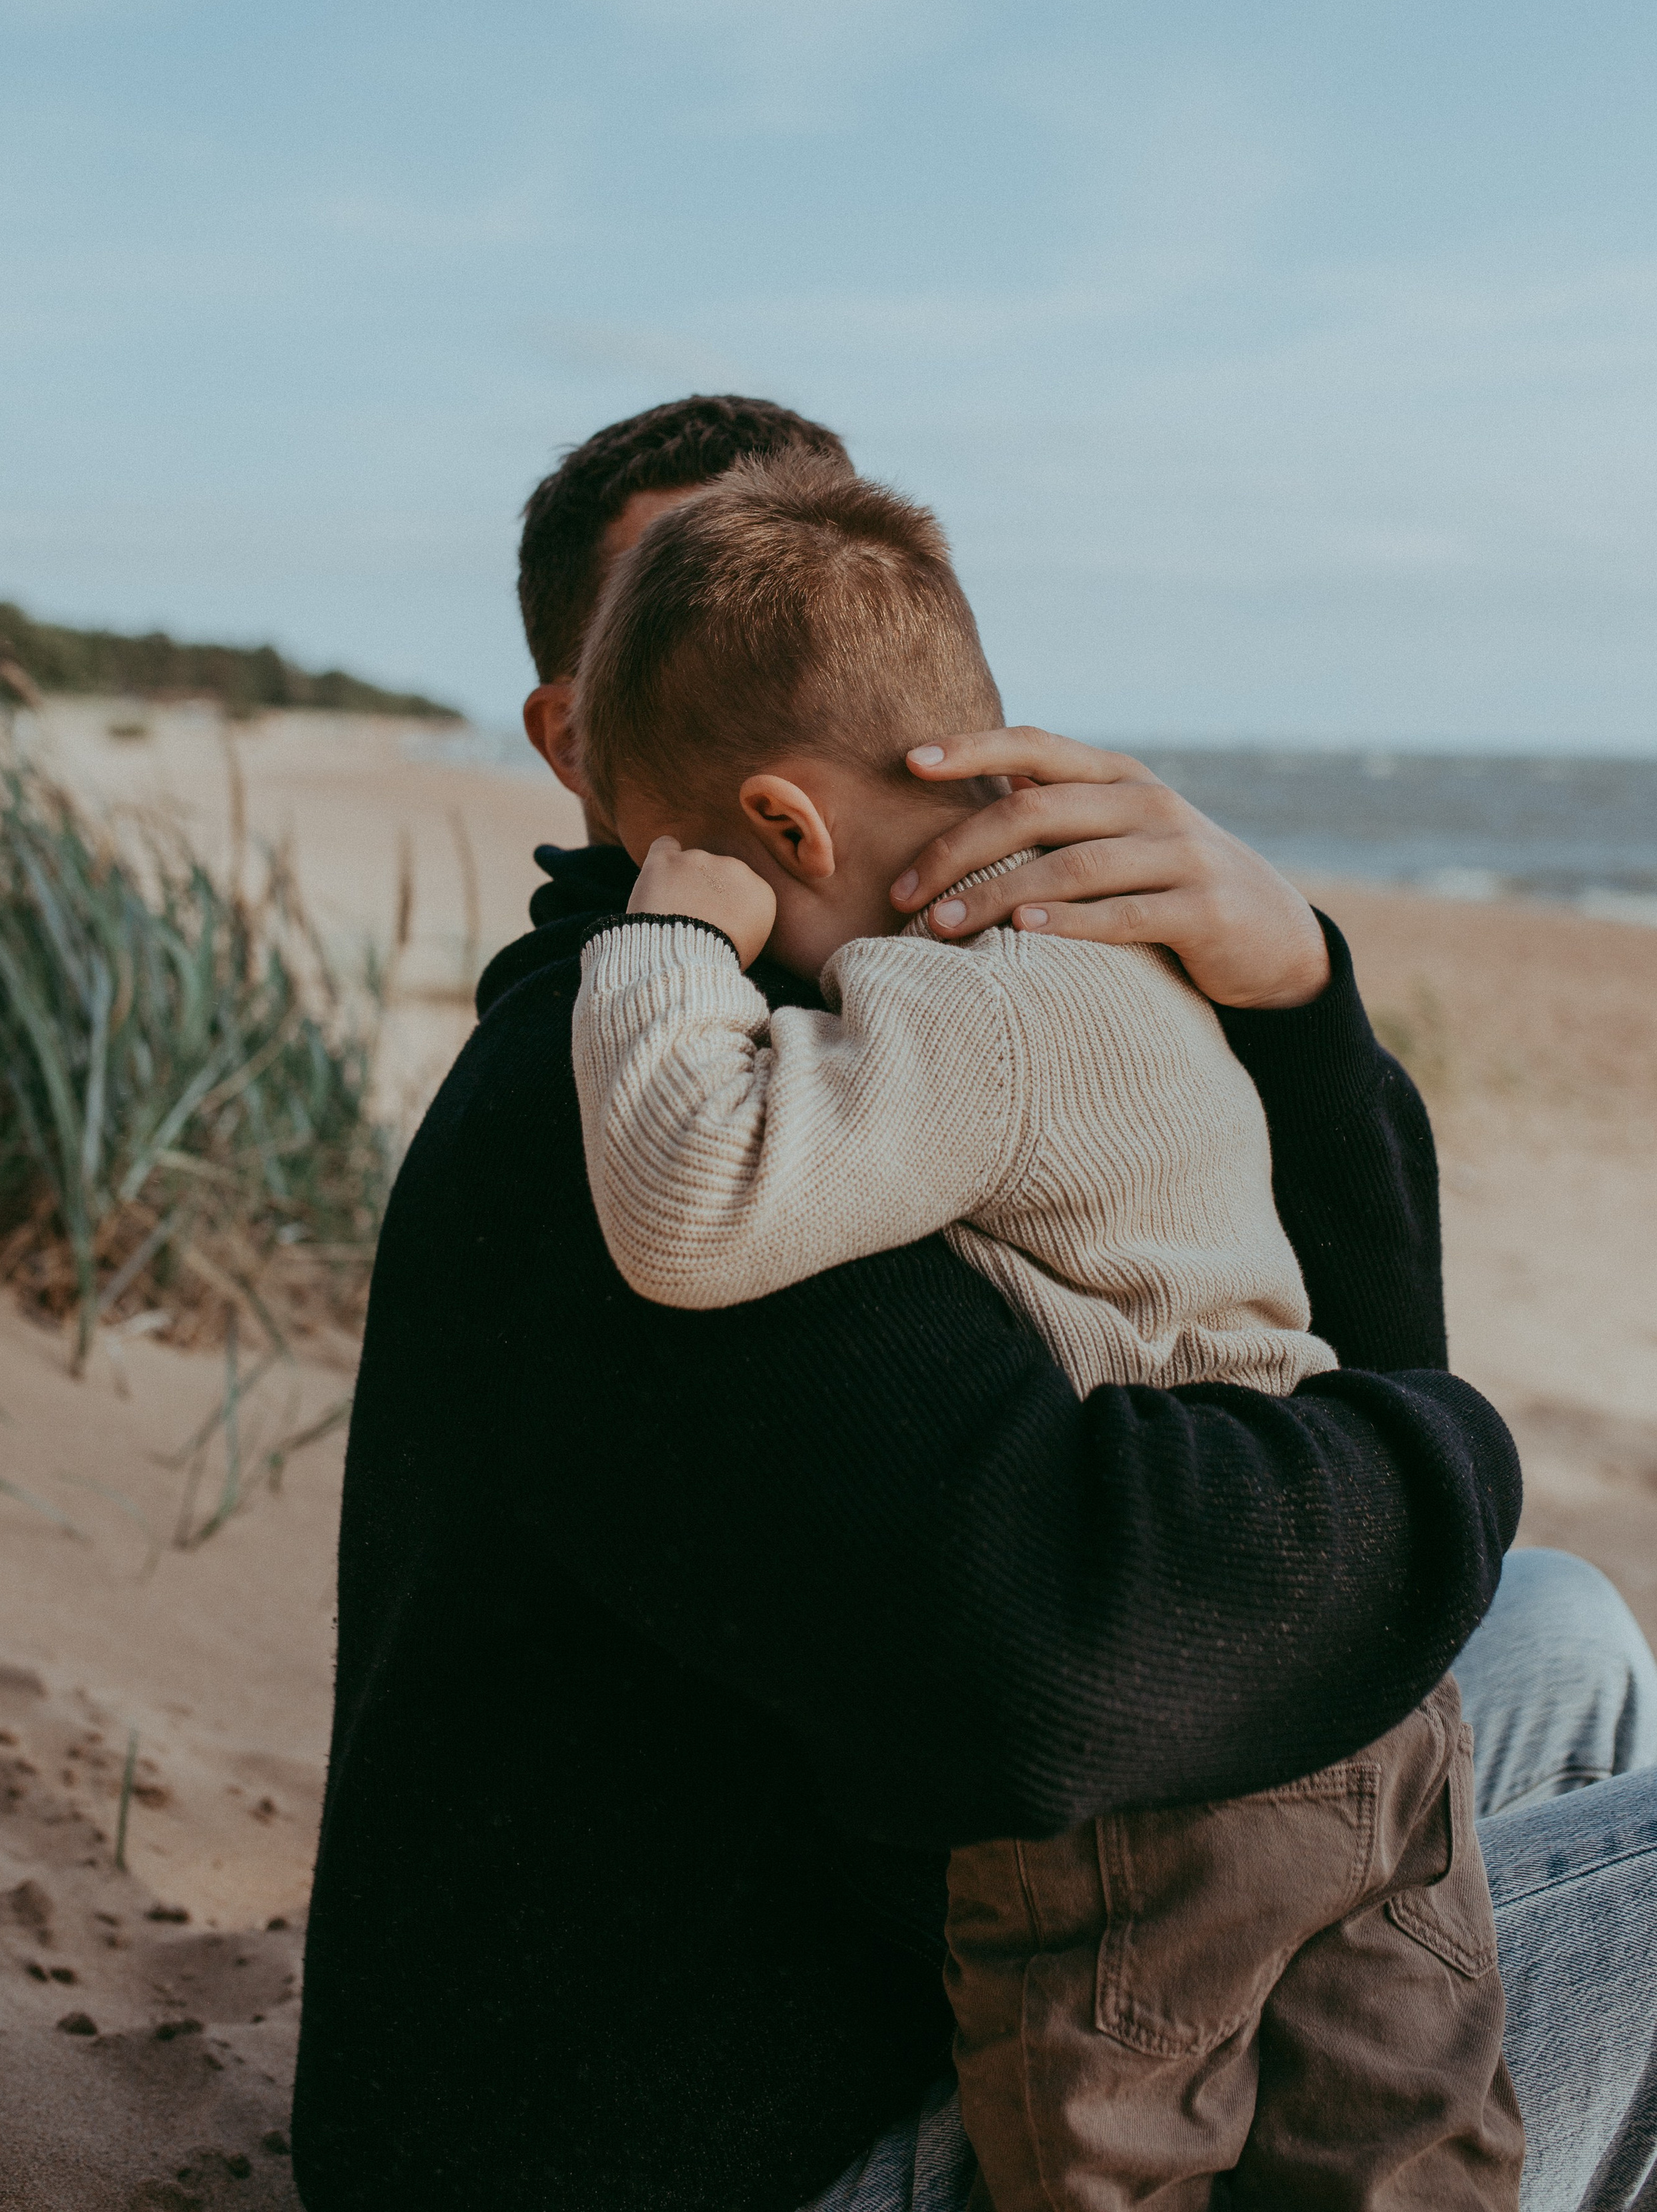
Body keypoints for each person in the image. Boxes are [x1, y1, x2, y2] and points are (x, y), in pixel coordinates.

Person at [291, 394, 1657, 2211]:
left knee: (1557, 1624)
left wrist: (1293, 989)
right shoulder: (639, 1101)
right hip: (752, 2144)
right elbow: (1072, 1652)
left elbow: (1324, 1373)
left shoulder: (905, 1020)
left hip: (916, 1941)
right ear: (573, 738)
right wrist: (1452, 1462)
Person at [568, 452, 1521, 2209]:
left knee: (1111, 2159)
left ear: (786, 831)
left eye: (698, 860)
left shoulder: (954, 1009)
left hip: (1166, 1786)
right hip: (1369, 1716)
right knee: (1414, 2139)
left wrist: (665, 946)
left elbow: (694, 1194)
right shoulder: (1139, 970)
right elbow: (1375, 1331)